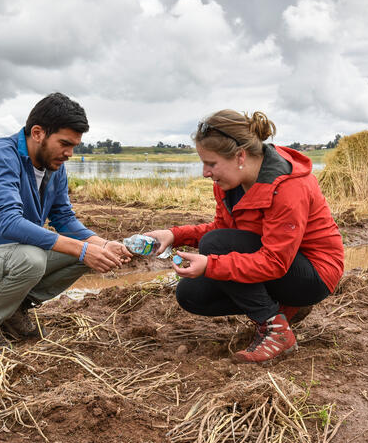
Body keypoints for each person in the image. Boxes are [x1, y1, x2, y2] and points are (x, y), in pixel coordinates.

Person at [146, 110, 343, 364]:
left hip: (314, 272)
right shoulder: (229, 185)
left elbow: (274, 261)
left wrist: (211, 264)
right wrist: (173, 235)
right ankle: (285, 308)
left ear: (240, 156)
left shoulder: (287, 187)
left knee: (213, 247)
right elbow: (222, 230)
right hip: (278, 262)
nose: (205, 172)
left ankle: (276, 331)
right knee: (191, 294)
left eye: (211, 163)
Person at [0, 92, 132, 347]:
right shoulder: (1, 155)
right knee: (33, 258)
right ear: (38, 132)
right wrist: (82, 249)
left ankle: (11, 309)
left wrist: (101, 244)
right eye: (64, 143)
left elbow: (64, 219)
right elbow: (9, 222)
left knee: (92, 252)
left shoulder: (54, 167)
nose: (69, 153)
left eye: (74, 146)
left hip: (3, 262)